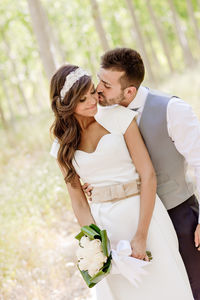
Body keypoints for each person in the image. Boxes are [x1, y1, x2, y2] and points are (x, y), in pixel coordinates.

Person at [50, 64, 193, 299]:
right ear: (67, 105)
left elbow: (147, 174)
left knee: (166, 287)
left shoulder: (119, 118)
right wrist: (99, 246)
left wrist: (141, 235)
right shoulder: (62, 147)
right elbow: (78, 203)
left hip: (144, 216)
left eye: (92, 92)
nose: (92, 100)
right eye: (82, 99)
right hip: (106, 226)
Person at [83, 47, 200, 300]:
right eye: (99, 79)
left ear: (129, 91)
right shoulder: (99, 115)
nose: (97, 89)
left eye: (106, 84)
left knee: (193, 288)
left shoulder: (172, 110)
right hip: (135, 224)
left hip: (178, 215)